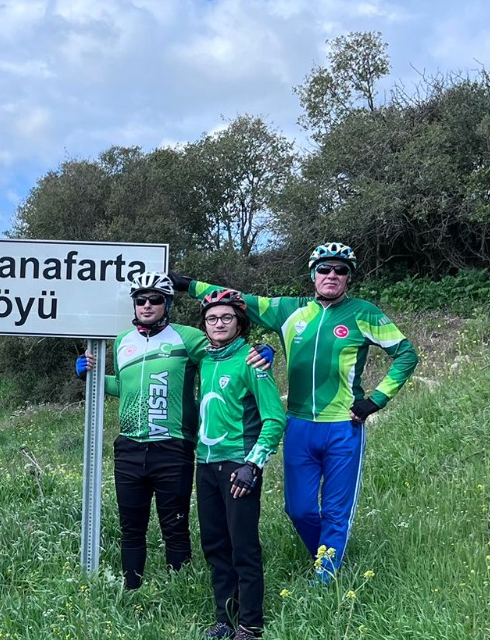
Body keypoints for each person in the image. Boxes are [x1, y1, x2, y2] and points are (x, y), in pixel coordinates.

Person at [175, 242, 417, 582]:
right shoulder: (290, 310)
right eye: (324, 269)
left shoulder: (365, 312)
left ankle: (325, 576)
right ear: (313, 275)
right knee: (299, 509)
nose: (331, 275)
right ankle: (326, 554)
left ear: (349, 278)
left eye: (340, 270)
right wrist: (186, 285)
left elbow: (406, 354)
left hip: (343, 425)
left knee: (335, 510)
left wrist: (377, 399)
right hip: (299, 425)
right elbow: (236, 299)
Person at [78, 273, 272, 590]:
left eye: (155, 299)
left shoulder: (189, 338)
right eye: (141, 299)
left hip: (173, 446)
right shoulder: (122, 341)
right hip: (129, 446)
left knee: (175, 527)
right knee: (131, 527)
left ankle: (178, 592)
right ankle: (131, 591)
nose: (147, 305)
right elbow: (124, 387)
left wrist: (260, 351)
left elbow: (225, 356)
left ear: (167, 303)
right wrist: (93, 376)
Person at [194, 289, 287, 640]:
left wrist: (254, 463)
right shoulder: (204, 359)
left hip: (239, 465)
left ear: (239, 322)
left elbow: (274, 417)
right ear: (204, 325)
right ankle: (225, 618)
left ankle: (250, 626)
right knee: (215, 545)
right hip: (205, 462)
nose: (219, 324)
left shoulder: (252, 361)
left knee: (242, 546)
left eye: (227, 318)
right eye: (212, 318)